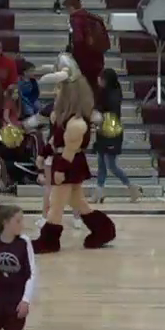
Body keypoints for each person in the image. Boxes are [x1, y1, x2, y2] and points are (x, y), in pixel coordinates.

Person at [37, 73, 115, 252]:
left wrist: (61, 169)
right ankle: (103, 229)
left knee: (56, 203)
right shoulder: (63, 117)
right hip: (64, 161)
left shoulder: (76, 123)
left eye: (59, 88)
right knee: (77, 201)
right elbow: (55, 141)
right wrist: (44, 153)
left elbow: (70, 150)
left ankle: (48, 241)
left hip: (70, 163)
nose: (55, 92)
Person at [95, 69, 141, 201]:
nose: (99, 80)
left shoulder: (113, 94)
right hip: (102, 129)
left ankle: (132, 187)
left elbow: (110, 111)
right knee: (101, 163)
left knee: (111, 165)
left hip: (112, 130)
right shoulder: (103, 92)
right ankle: (99, 192)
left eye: (101, 78)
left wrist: (98, 112)